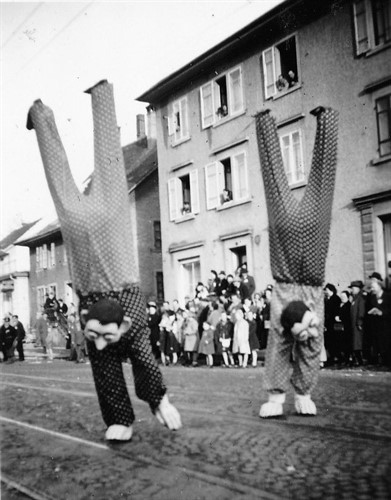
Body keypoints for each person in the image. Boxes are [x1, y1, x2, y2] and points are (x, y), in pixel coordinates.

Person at [27, 80, 181, 441]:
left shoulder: (125, 321)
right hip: (107, 273)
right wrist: (160, 401)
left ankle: (57, 109)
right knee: (82, 175)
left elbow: (115, 363)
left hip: (97, 277)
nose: (97, 342)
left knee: (104, 364)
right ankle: (98, 97)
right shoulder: (135, 326)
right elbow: (144, 360)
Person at [256, 106, 339, 417]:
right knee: (307, 339)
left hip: (296, 275)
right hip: (304, 274)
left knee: (287, 338)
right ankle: (293, 395)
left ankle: (287, 396)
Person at [366, 272, 391, 367]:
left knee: (387, 342)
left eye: (373, 287)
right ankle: (383, 361)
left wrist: (382, 313)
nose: (372, 289)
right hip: (376, 325)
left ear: (379, 286)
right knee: (379, 343)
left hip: (386, 324)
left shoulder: (388, 296)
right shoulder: (372, 298)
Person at [349, 280, 366, 366]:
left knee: (358, 343)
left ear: (358, 289)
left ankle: (360, 360)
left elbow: (361, 311)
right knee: (355, 342)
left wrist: (359, 322)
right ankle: (357, 360)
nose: (352, 290)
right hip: (353, 324)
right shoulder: (355, 298)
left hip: (357, 324)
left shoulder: (360, 298)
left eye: (353, 288)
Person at [324, 283, 341, 366]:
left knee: (335, 340)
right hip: (329, 323)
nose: (325, 292)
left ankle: (335, 357)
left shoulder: (336, 299)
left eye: (326, 290)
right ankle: (331, 357)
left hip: (334, 323)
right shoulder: (328, 299)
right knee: (329, 341)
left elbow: (334, 311)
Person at [335, 290, 352, 366]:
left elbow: (348, 316)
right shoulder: (340, 305)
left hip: (346, 327)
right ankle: (343, 359)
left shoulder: (349, 305)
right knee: (340, 343)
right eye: (341, 297)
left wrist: (340, 318)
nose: (342, 298)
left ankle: (347, 359)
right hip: (339, 327)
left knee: (347, 343)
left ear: (347, 297)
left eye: (344, 297)